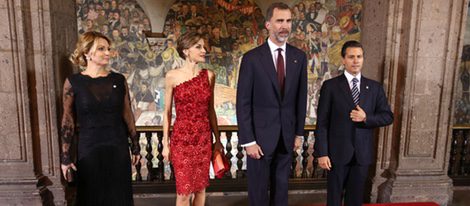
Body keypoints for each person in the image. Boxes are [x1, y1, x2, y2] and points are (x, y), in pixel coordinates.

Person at [236, 2, 308, 206]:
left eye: (288, 21)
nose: (285, 26)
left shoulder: (299, 57)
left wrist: (298, 133)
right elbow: (243, 102)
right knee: (258, 195)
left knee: (281, 193)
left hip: (286, 137)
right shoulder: (251, 59)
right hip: (258, 140)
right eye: (280, 21)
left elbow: (301, 98)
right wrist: (248, 141)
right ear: (268, 24)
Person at [60, 31, 141, 205]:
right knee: (91, 198)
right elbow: (68, 121)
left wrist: (135, 146)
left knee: (119, 198)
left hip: (117, 148)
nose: (108, 53)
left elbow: (127, 114)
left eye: (108, 49)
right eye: (101, 49)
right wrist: (65, 157)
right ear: (87, 53)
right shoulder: (73, 82)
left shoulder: (119, 80)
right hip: (89, 149)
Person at [314, 40, 394, 206]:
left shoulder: (374, 88)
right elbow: (322, 123)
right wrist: (322, 153)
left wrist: (367, 118)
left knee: (355, 200)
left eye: (359, 56)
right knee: (334, 200)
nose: (356, 60)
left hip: (362, 155)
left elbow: (388, 116)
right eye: (351, 57)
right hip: (336, 155)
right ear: (343, 60)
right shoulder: (330, 87)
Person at [161, 31, 224, 206]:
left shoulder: (209, 75)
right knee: (183, 193)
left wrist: (217, 140)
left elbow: (211, 110)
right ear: (186, 50)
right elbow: (166, 113)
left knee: (200, 189)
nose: (204, 50)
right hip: (181, 140)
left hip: (203, 138)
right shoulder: (172, 76)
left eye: (204, 47)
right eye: (199, 47)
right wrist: (166, 144)